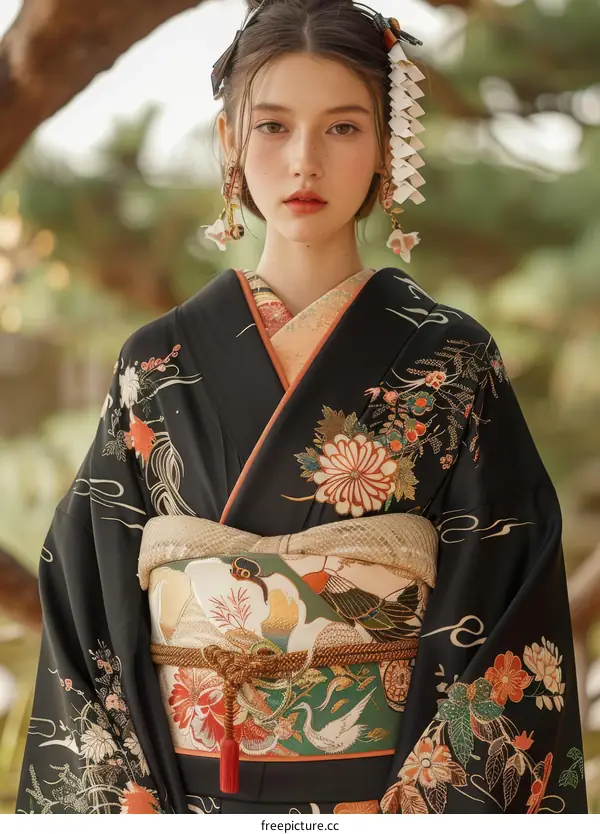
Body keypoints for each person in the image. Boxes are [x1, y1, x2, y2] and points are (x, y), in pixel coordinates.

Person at [17, 0, 587, 815]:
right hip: (187, 798)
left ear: (390, 147)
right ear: (230, 143)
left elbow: (507, 594)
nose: (304, 163)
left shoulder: (452, 361)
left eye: (344, 128)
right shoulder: (154, 362)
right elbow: (86, 598)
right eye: (274, 126)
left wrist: (413, 810)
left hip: (381, 801)